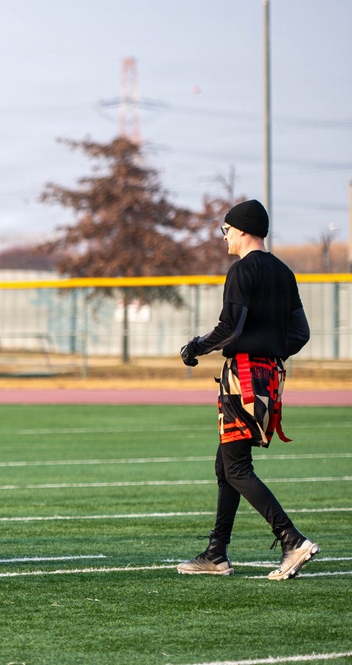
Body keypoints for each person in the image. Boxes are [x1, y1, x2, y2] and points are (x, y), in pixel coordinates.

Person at [177, 199, 317, 580]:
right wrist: (271, 350)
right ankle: (217, 553)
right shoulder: (284, 272)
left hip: (243, 376)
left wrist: (195, 347)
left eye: (226, 230)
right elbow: (301, 333)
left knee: (236, 467)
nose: (224, 237)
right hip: (270, 376)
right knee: (226, 464)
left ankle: (291, 539)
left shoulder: (242, 270)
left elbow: (230, 328)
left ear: (240, 230)